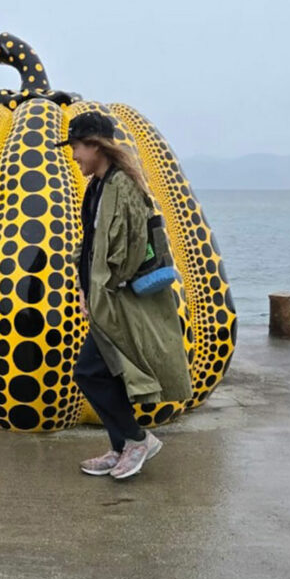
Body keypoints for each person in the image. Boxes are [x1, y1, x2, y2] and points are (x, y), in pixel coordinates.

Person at [58, 111, 193, 480]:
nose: (74, 157)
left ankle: (136, 440)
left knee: (90, 372)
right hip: (103, 302)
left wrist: (105, 288)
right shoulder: (97, 187)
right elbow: (90, 247)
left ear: (96, 146)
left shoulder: (124, 187)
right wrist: (86, 290)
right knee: (106, 374)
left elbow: (130, 250)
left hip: (121, 304)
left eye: (77, 148)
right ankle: (121, 446)